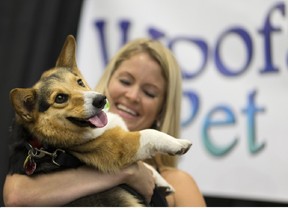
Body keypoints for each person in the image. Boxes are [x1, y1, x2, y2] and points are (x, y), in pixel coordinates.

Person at [3, 38, 206, 207]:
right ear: (108, 81)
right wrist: (126, 173)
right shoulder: (58, 151)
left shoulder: (179, 184)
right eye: (125, 81)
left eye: (149, 92)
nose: (133, 96)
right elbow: (16, 196)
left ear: (163, 109)